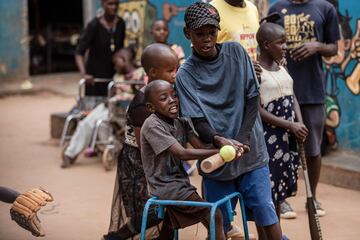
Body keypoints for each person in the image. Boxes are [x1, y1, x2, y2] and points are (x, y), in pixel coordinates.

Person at [176, 2, 282, 240]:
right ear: (187, 34)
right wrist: (220, 140)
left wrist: (242, 140)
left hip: (251, 153)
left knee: (266, 213)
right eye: (199, 34)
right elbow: (198, 120)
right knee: (218, 223)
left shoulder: (235, 52)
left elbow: (252, 98)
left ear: (218, 31)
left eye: (211, 32)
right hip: (217, 159)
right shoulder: (186, 73)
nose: (207, 39)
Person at [268, 0, 341, 217]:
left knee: (313, 148)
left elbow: (334, 49)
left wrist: (316, 46)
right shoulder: (275, 8)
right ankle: (281, 200)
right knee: (278, 147)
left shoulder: (325, 8)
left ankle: (313, 198)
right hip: (278, 90)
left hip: (312, 90)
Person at [103, 43, 179, 240]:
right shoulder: (142, 103)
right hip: (139, 165)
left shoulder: (168, 95)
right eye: (170, 70)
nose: (175, 75)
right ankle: (114, 238)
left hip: (159, 161)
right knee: (150, 213)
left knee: (170, 211)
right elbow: (144, 145)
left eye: (176, 70)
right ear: (153, 72)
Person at [141, 80, 226, 240]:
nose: (172, 100)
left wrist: (226, 144)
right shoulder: (152, 125)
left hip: (180, 183)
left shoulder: (182, 121)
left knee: (168, 230)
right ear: (151, 107)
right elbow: (183, 154)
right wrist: (219, 151)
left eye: (173, 95)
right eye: (164, 98)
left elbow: (201, 147)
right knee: (215, 216)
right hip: (165, 186)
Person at [256, 22, 308, 230]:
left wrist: (299, 122)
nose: (285, 47)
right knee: (266, 195)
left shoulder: (282, 67)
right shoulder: (256, 71)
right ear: (267, 45)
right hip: (270, 140)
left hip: (287, 138)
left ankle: (275, 234)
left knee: (278, 193)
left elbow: (292, 96)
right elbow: (258, 110)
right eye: (281, 43)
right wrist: (289, 124)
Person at [61, 46, 141, 168]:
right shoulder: (117, 77)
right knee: (86, 123)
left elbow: (141, 94)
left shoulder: (140, 74)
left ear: (124, 59)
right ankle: (70, 153)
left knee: (101, 122)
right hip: (110, 105)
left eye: (116, 63)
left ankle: (112, 148)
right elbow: (113, 94)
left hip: (123, 108)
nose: (115, 67)